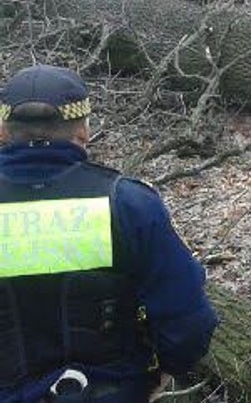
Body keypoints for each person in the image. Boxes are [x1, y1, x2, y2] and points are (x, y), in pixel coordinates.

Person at [0, 65, 218, 403]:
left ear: (3, 131)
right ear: (84, 131)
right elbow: (187, 321)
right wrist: (164, 371)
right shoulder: (129, 204)